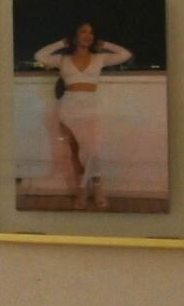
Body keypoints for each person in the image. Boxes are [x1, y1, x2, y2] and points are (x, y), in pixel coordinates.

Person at [29, 22, 133, 208]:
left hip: (91, 106)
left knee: (91, 150)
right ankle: (82, 192)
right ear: (75, 36)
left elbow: (125, 55)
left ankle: (98, 188)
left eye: (91, 32)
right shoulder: (62, 60)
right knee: (76, 152)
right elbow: (39, 56)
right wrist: (61, 43)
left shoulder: (99, 57)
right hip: (69, 107)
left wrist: (105, 45)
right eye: (83, 31)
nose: (88, 35)